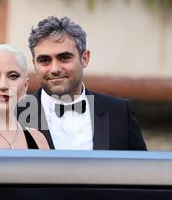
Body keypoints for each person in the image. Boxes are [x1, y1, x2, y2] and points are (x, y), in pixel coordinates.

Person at [17, 16, 147, 151]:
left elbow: (143, 169)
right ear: (34, 64)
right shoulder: (15, 115)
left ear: (84, 58)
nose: (55, 69)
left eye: (64, 58)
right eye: (44, 60)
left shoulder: (120, 112)